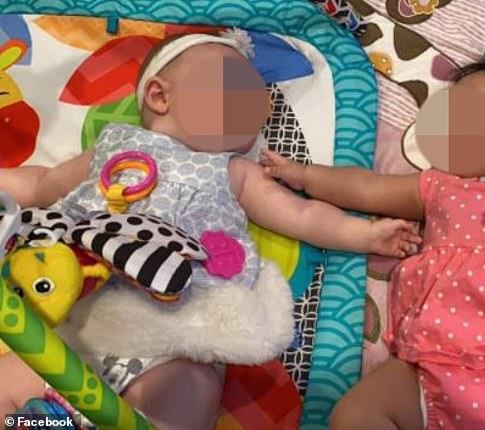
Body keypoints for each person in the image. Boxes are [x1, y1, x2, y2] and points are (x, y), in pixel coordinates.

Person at [0, 31, 420, 429]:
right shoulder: (114, 145)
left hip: (178, 327)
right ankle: (43, 419)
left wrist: (364, 235)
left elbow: (300, 215)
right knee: (11, 382)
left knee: (183, 400)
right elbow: (41, 184)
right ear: (160, 96)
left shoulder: (233, 171)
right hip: (76, 311)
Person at [260, 27, 485, 430]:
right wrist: (307, 176)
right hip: (427, 366)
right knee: (353, 415)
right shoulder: (441, 186)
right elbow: (368, 188)